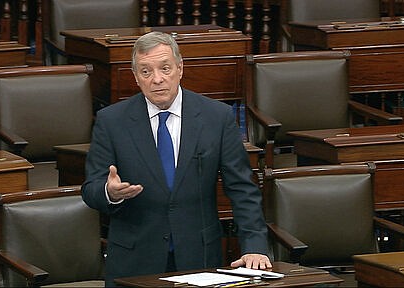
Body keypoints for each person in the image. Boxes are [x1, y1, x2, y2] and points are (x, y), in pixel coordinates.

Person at [81, 31, 271, 286]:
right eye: (146, 72)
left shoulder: (217, 117)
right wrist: (110, 192)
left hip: (199, 257)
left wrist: (255, 245)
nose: (157, 79)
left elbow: (242, 188)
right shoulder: (111, 121)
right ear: (136, 77)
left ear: (180, 69)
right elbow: (91, 189)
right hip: (134, 262)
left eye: (165, 68)